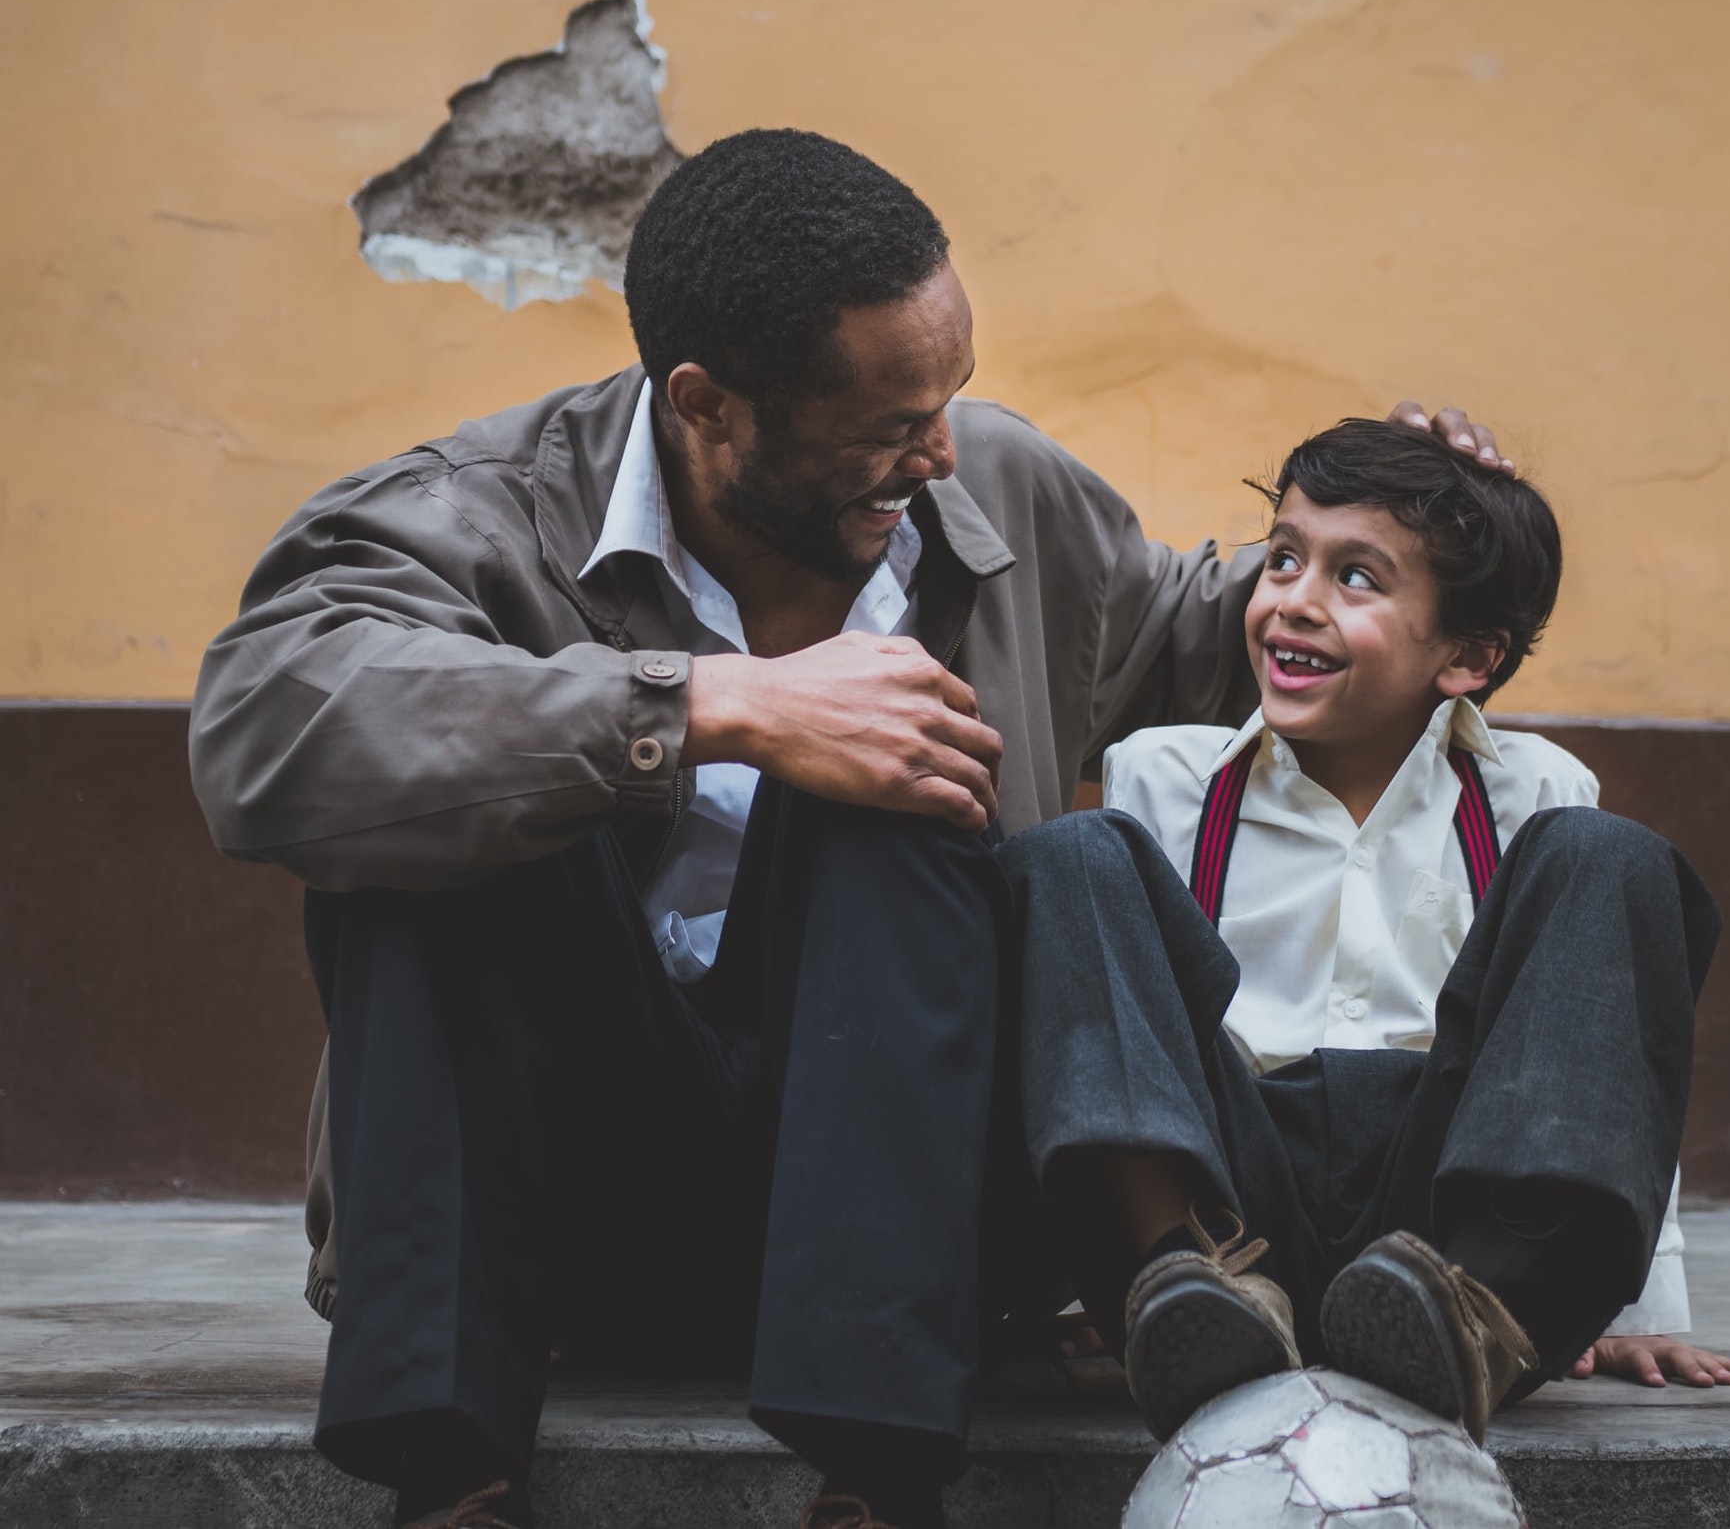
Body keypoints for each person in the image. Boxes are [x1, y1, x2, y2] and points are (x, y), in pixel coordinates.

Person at [188, 129, 1504, 1529]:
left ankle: (876, 1484)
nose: (935, 452)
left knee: (905, 770)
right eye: (885, 424)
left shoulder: (986, 484)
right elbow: (268, 724)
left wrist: (1410, 553)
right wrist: (716, 704)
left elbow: (1193, 633)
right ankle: (448, 1480)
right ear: (708, 407)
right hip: (558, 1217)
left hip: (913, 1226)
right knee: (430, 816)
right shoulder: (475, 514)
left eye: (949, 397)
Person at [999, 417, 1730, 1450]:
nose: (1292, 599)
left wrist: (1641, 1304)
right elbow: (1119, 1035)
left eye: (1357, 577)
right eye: (1283, 557)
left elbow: (1605, 1044)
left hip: (1441, 1226)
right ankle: (1175, 1283)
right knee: (1071, 854)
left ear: (1468, 657)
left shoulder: (1535, 792)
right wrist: (1110, 1267)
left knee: (1613, 855)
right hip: (1232, 1204)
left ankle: (1484, 1318)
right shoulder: (1165, 776)